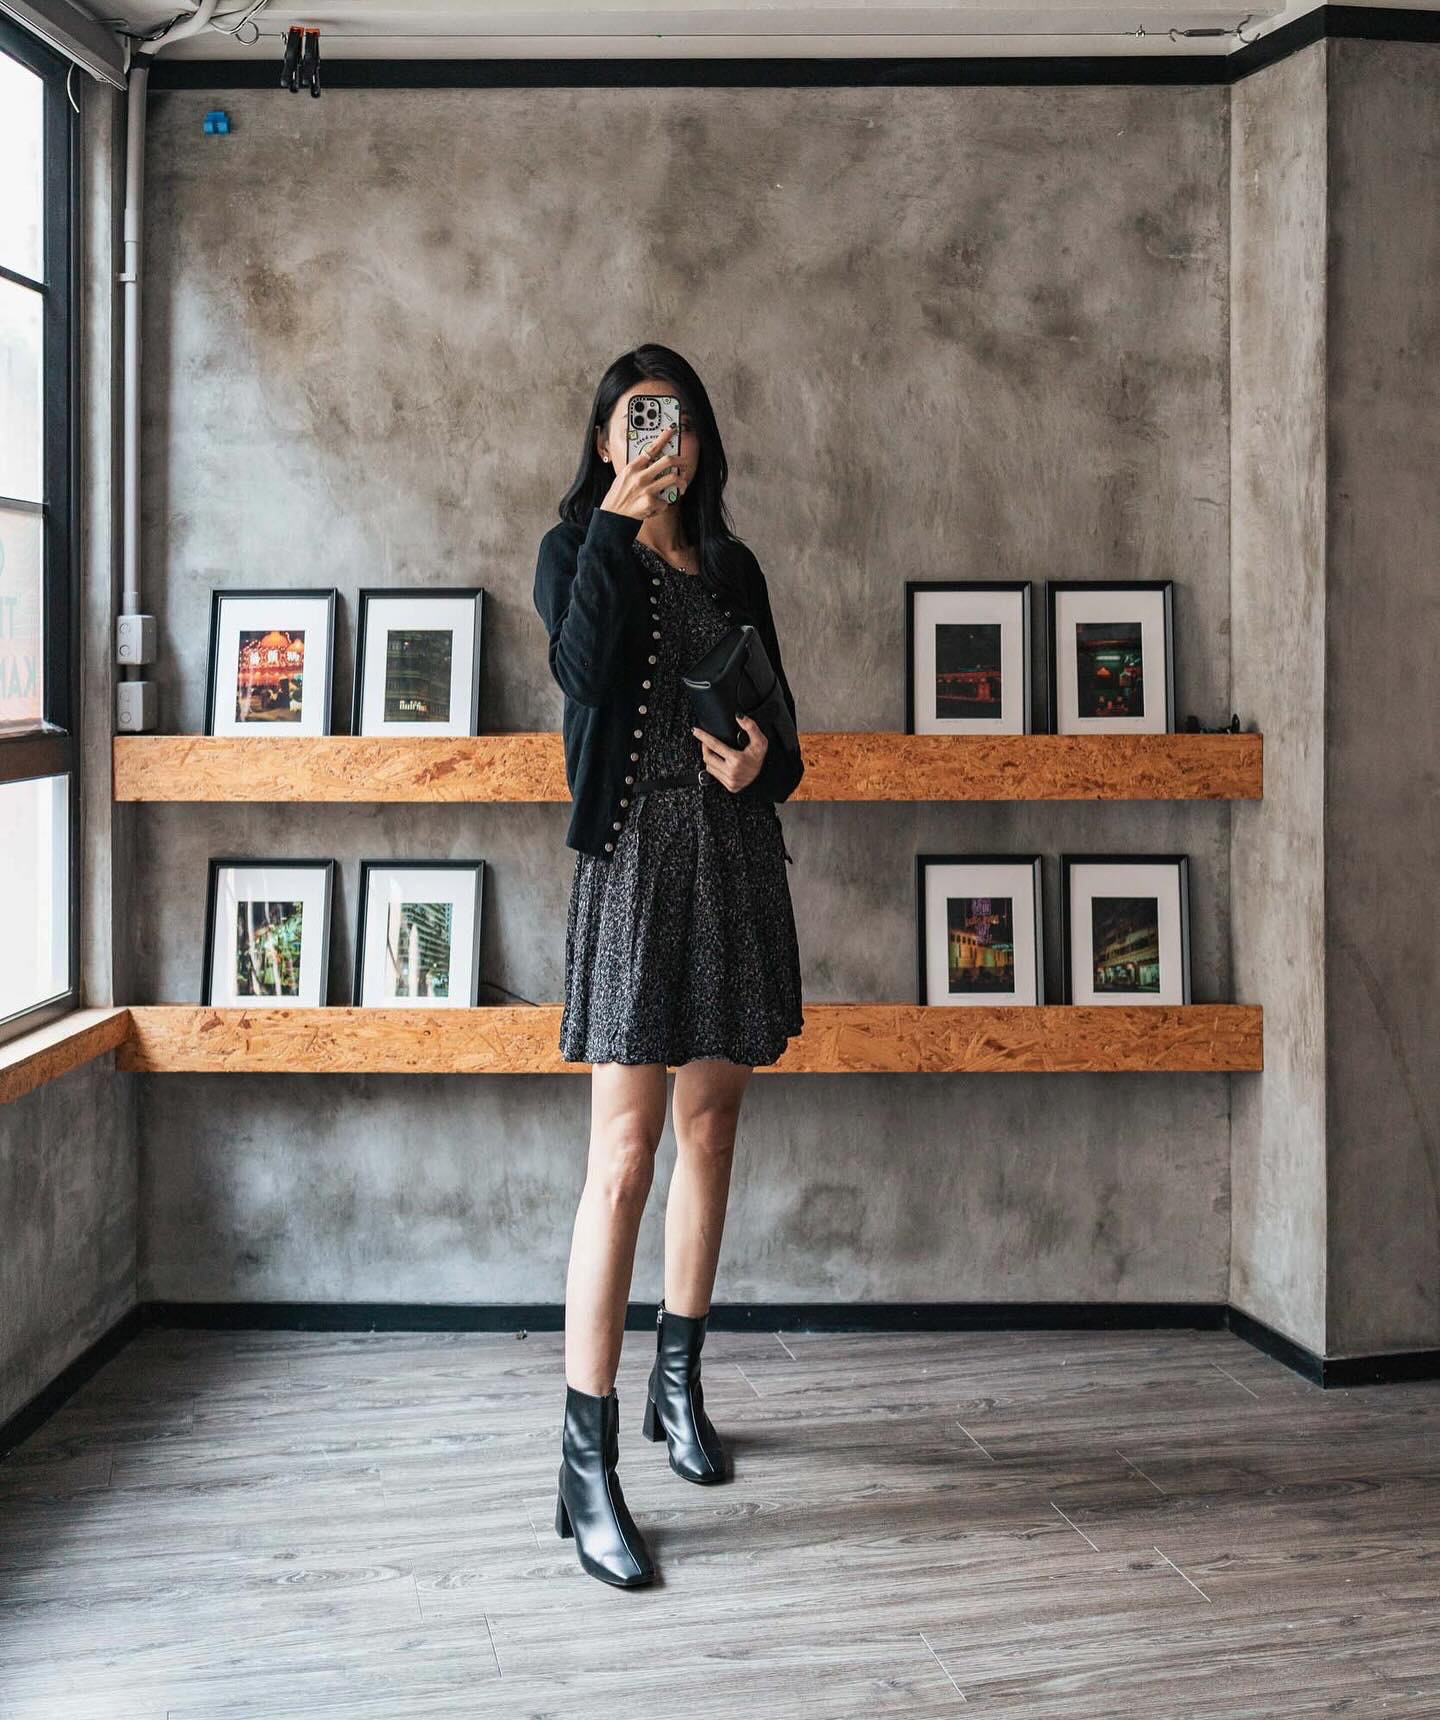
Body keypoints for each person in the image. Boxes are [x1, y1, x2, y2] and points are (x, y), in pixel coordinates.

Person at [532, 344, 805, 1588]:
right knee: (624, 1157)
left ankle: (678, 1386)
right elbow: (582, 674)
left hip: (731, 862)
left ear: (705, 442)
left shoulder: (735, 564)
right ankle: (584, 1463)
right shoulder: (575, 551)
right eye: (639, 422)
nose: (663, 441)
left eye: (680, 422)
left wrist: (763, 763)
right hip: (636, 871)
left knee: (712, 1130)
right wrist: (613, 524)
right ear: (604, 441)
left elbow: (782, 730)